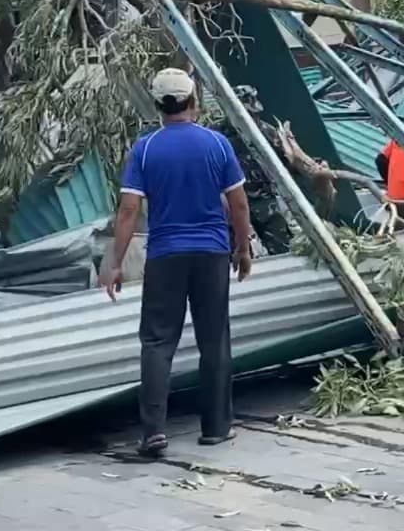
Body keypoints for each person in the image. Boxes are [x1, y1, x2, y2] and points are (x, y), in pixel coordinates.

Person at [101, 68, 252, 458]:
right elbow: (237, 203)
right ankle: (216, 429)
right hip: (212, 254)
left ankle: (153, 432)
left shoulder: (145, 149)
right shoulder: (217, 144)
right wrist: (243, 248)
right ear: (194, 101)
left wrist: (115, 262)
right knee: (214, 339)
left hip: (166, 256)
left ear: (157, 106)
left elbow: (129, 210)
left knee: (156, 342)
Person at [212, 85, 294, 255]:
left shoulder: (268, 132)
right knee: (235, 255)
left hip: (265, 203)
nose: (254, 118)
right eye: (249, 113)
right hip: (231, 204)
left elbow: (289, 164)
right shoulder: (216, 135)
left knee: (282, 249)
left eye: (255, 114)